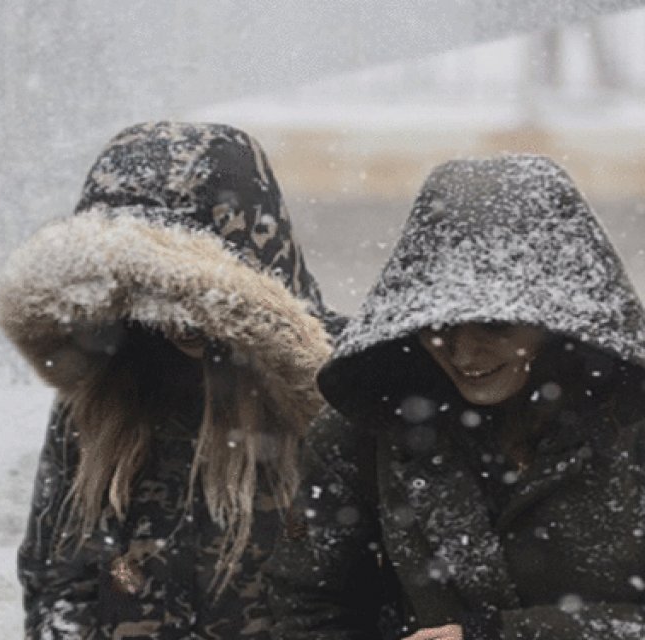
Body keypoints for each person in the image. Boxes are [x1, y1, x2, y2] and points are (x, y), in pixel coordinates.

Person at [267, 155, 645, 640]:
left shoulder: (631, 431)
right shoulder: (368, 431)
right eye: (438, 327)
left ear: (557, 322)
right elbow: (306, 605)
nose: (464, 353)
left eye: (494, 325)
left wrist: (501, 635)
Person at [0, 122, 335, 639]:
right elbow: (57, 579)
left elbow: (370, 595)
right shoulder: (103, 394)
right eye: (149, 294)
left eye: (193, 299)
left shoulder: (340, 391)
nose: (178, 321)